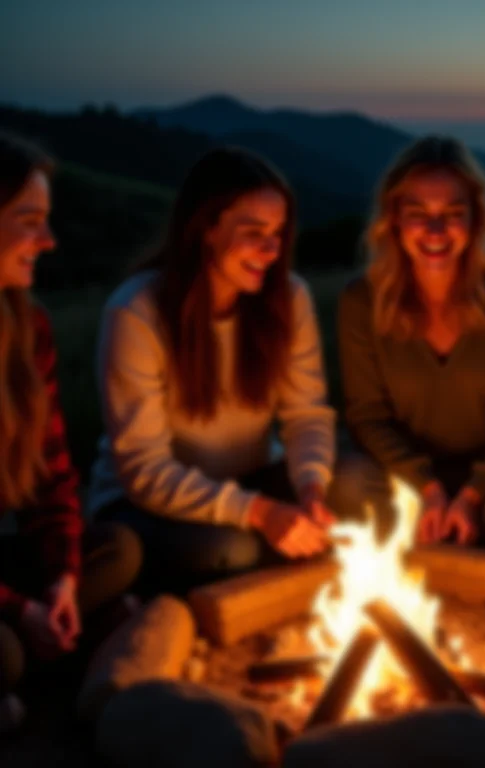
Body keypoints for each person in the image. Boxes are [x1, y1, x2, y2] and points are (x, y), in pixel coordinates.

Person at [88, 147, 336, 592]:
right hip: (144, 503)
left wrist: (311, 489)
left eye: (278, 233)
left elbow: (307, 415)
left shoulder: (288, 298)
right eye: (254, 232)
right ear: (206, 228)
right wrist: (260, 513)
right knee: (231, 549)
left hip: (250, 478)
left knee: (350, 486)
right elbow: (144, 470)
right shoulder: (137, 312)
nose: (272, 250)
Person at [334, 135, 485, 547]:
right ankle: (459, 538)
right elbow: (366, 417)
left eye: (453, 213)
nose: (436, 230)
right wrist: (429, 490)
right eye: (418, 213)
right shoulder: (360, 300)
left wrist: (473, 494)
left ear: (475, 219)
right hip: (405, 482)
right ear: (395, 218)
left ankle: (440, 534)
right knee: (346, 484)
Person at [0, 132, 141, 711]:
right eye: (29, 221)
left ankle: (44, 645)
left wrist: (61, 579)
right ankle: (46, 653)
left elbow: (54, 482)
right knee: (5, 650)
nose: (49, 240)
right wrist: (19, 607)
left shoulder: (28, 331)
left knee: (119, 552)